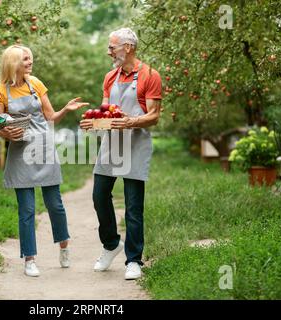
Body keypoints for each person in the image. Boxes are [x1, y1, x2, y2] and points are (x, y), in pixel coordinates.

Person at [0, 45, 88, 277]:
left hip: (44, 148)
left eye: (30, 59)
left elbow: (50, 117)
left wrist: (66, 108)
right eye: (25, 59)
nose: (29, 62)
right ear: (13, 63)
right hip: (20, 152)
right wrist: (6, 133)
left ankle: (64, 245)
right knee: (27, 209)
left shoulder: (36, 84)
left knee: (55, 204)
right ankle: (29, 259)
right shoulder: (1, 91)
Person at [80, 28, 162, 280]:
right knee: (98, 196)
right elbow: (108, 113)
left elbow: (154, 116)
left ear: (128, 47)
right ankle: (111, 244)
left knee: (133, 206)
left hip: (136, 145)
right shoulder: (109, 77)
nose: (108, 51)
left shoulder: (150, 75)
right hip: (111, 145)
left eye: (112, 47)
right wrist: (93, 123)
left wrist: (131, 122)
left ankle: (134, 260)